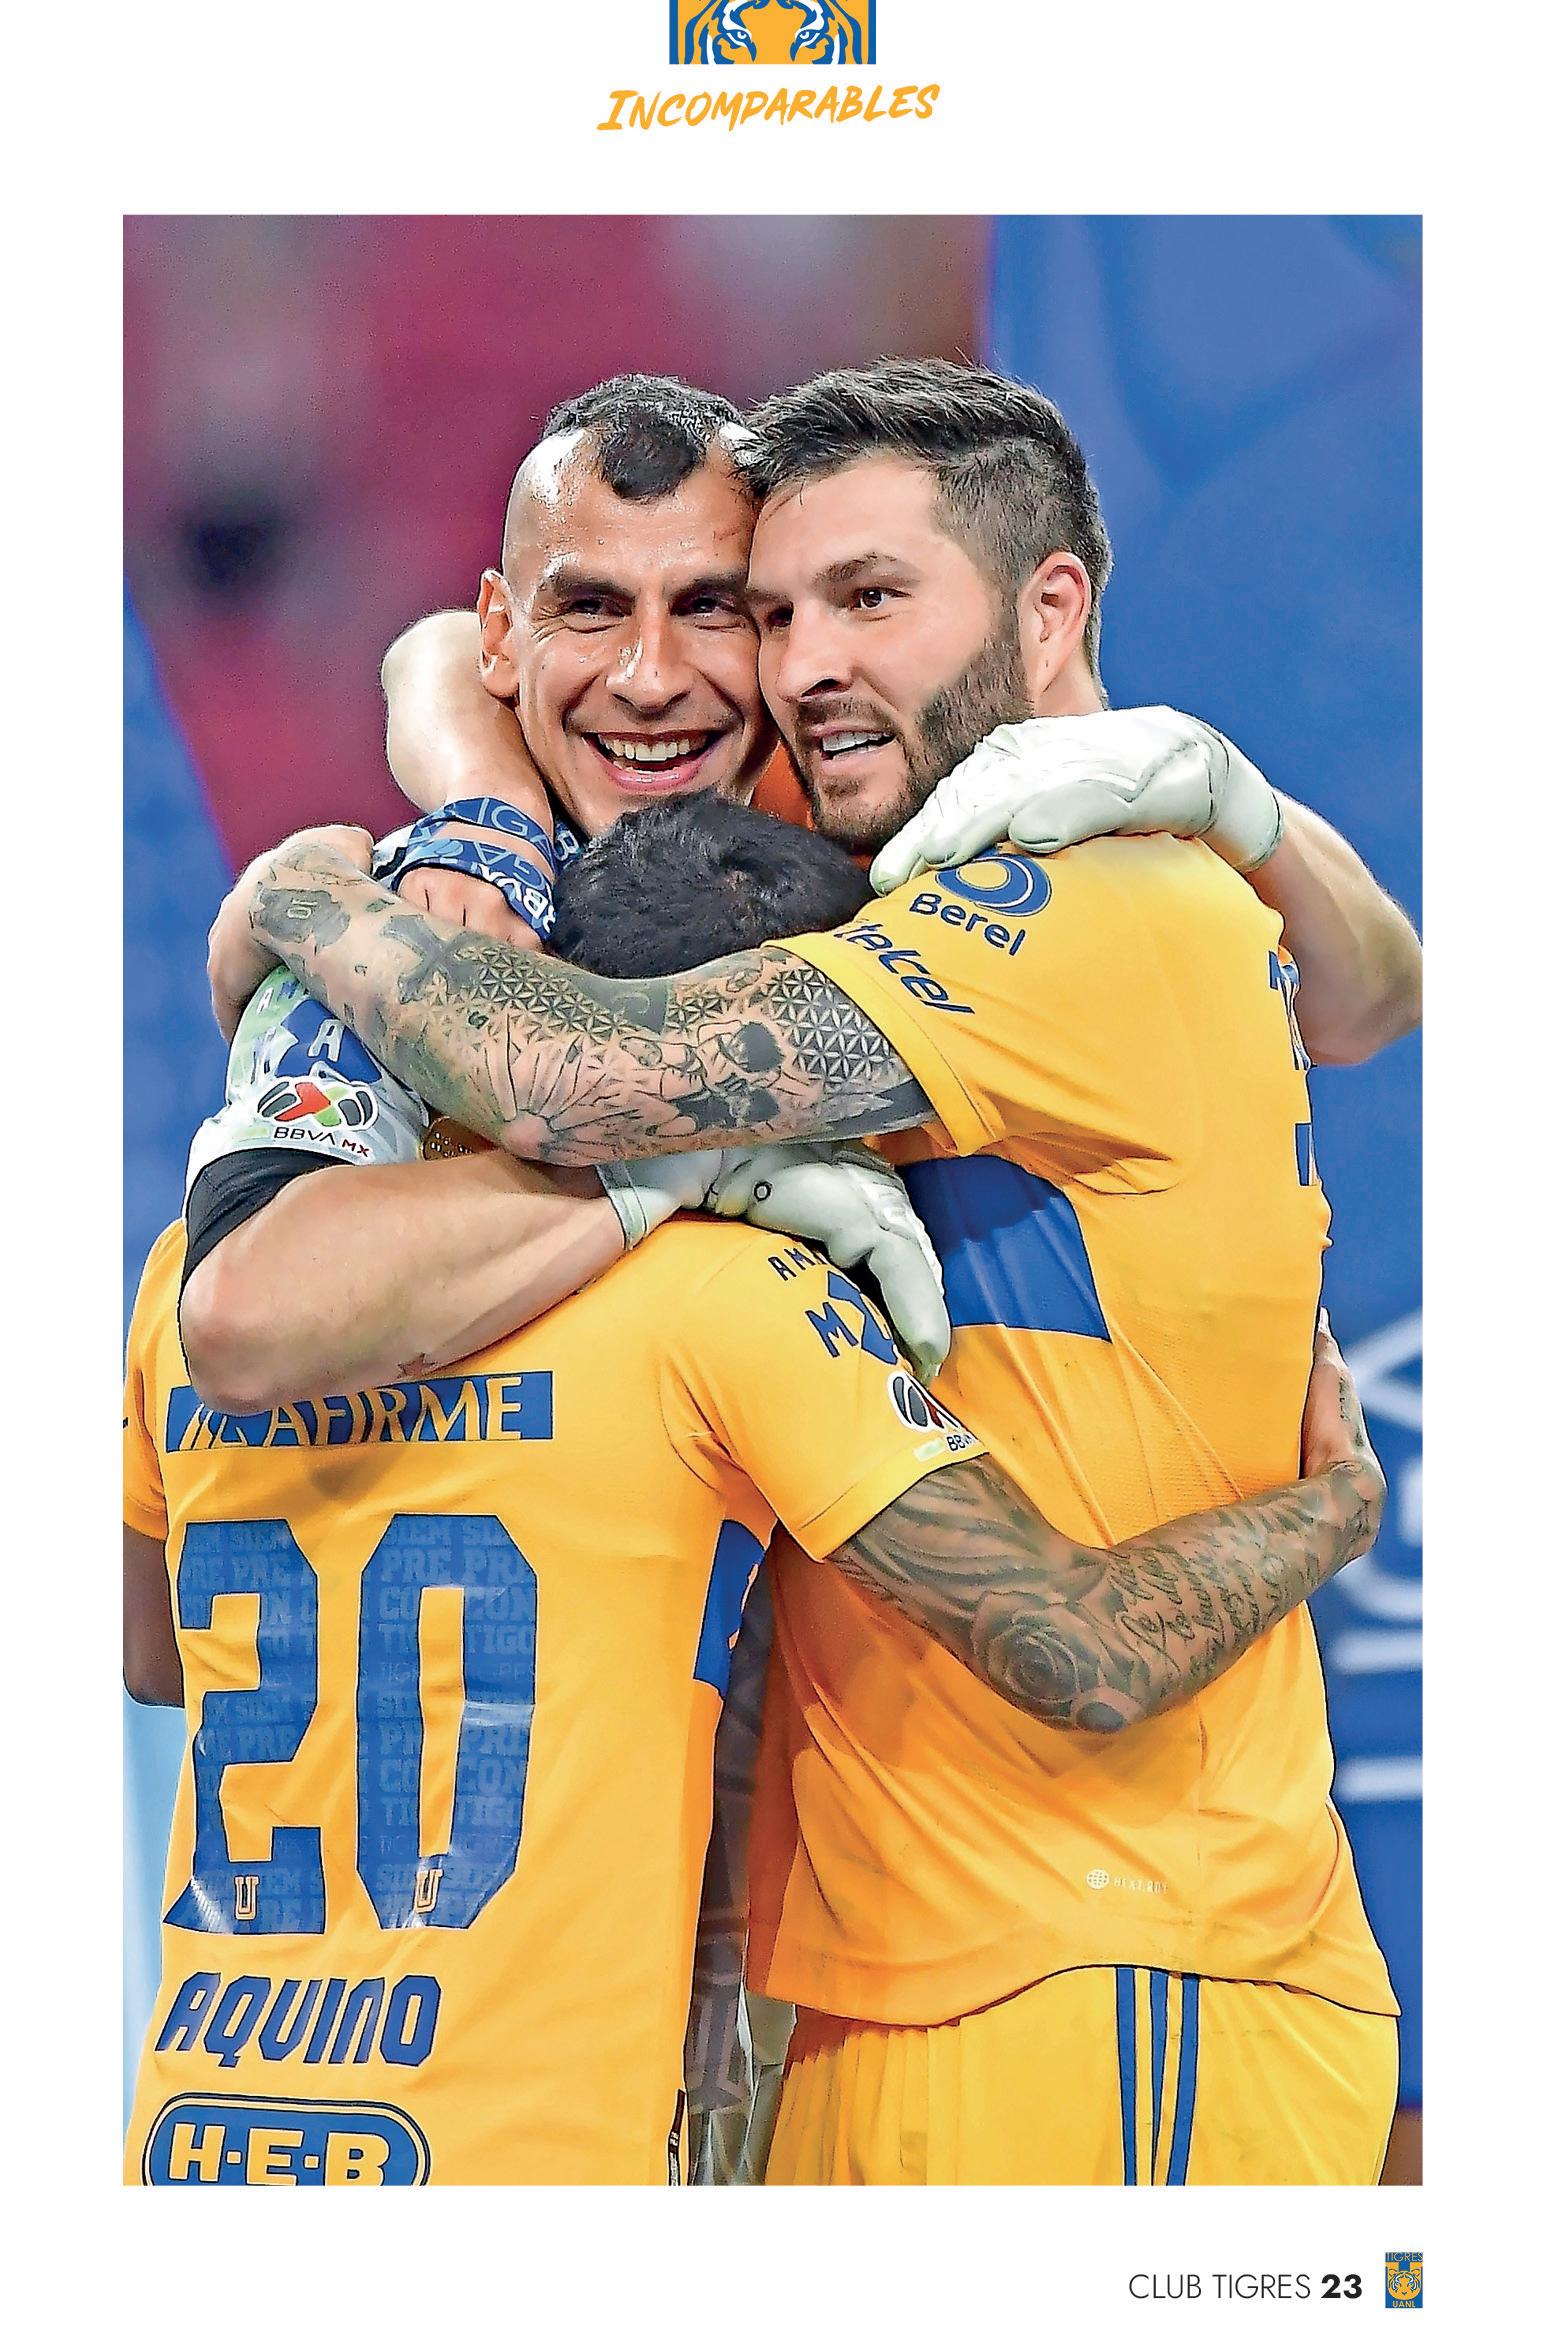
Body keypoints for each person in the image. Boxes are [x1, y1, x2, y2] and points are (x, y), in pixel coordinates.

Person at [214, 359, 1417, 2183]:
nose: (790, 667)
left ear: (1048, 611)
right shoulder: (823, 846)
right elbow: (449, 655)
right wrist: (472, 796)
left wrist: (309, 894)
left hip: (1108, 1949)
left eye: (862, 598)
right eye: (776, 613)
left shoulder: (1068, 900)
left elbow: (560, 1079)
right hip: (877, 1969)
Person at [123, 802, 1385, 2186]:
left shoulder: (184, 1283)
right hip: (530, 2159)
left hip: (201, 2132)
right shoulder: (735, 1298)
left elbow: (151, 1655)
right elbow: (1077, 1647)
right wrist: (1330, 1505)